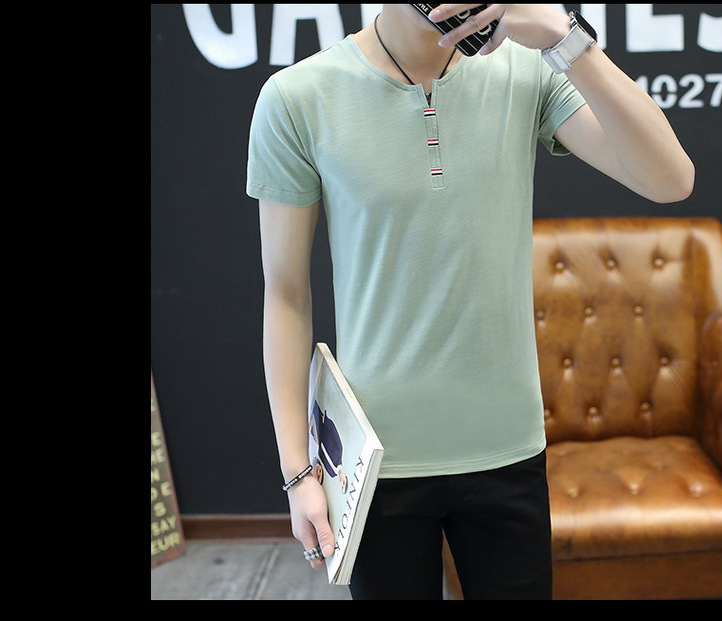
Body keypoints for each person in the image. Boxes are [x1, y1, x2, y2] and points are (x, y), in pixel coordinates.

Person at [246, 4, 694, 600]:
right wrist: (297, 470)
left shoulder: (527, 73)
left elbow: (671, 180)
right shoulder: (299, 97)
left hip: (507, 447)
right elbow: (285, 294)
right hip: (376, 462)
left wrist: (565, 39)